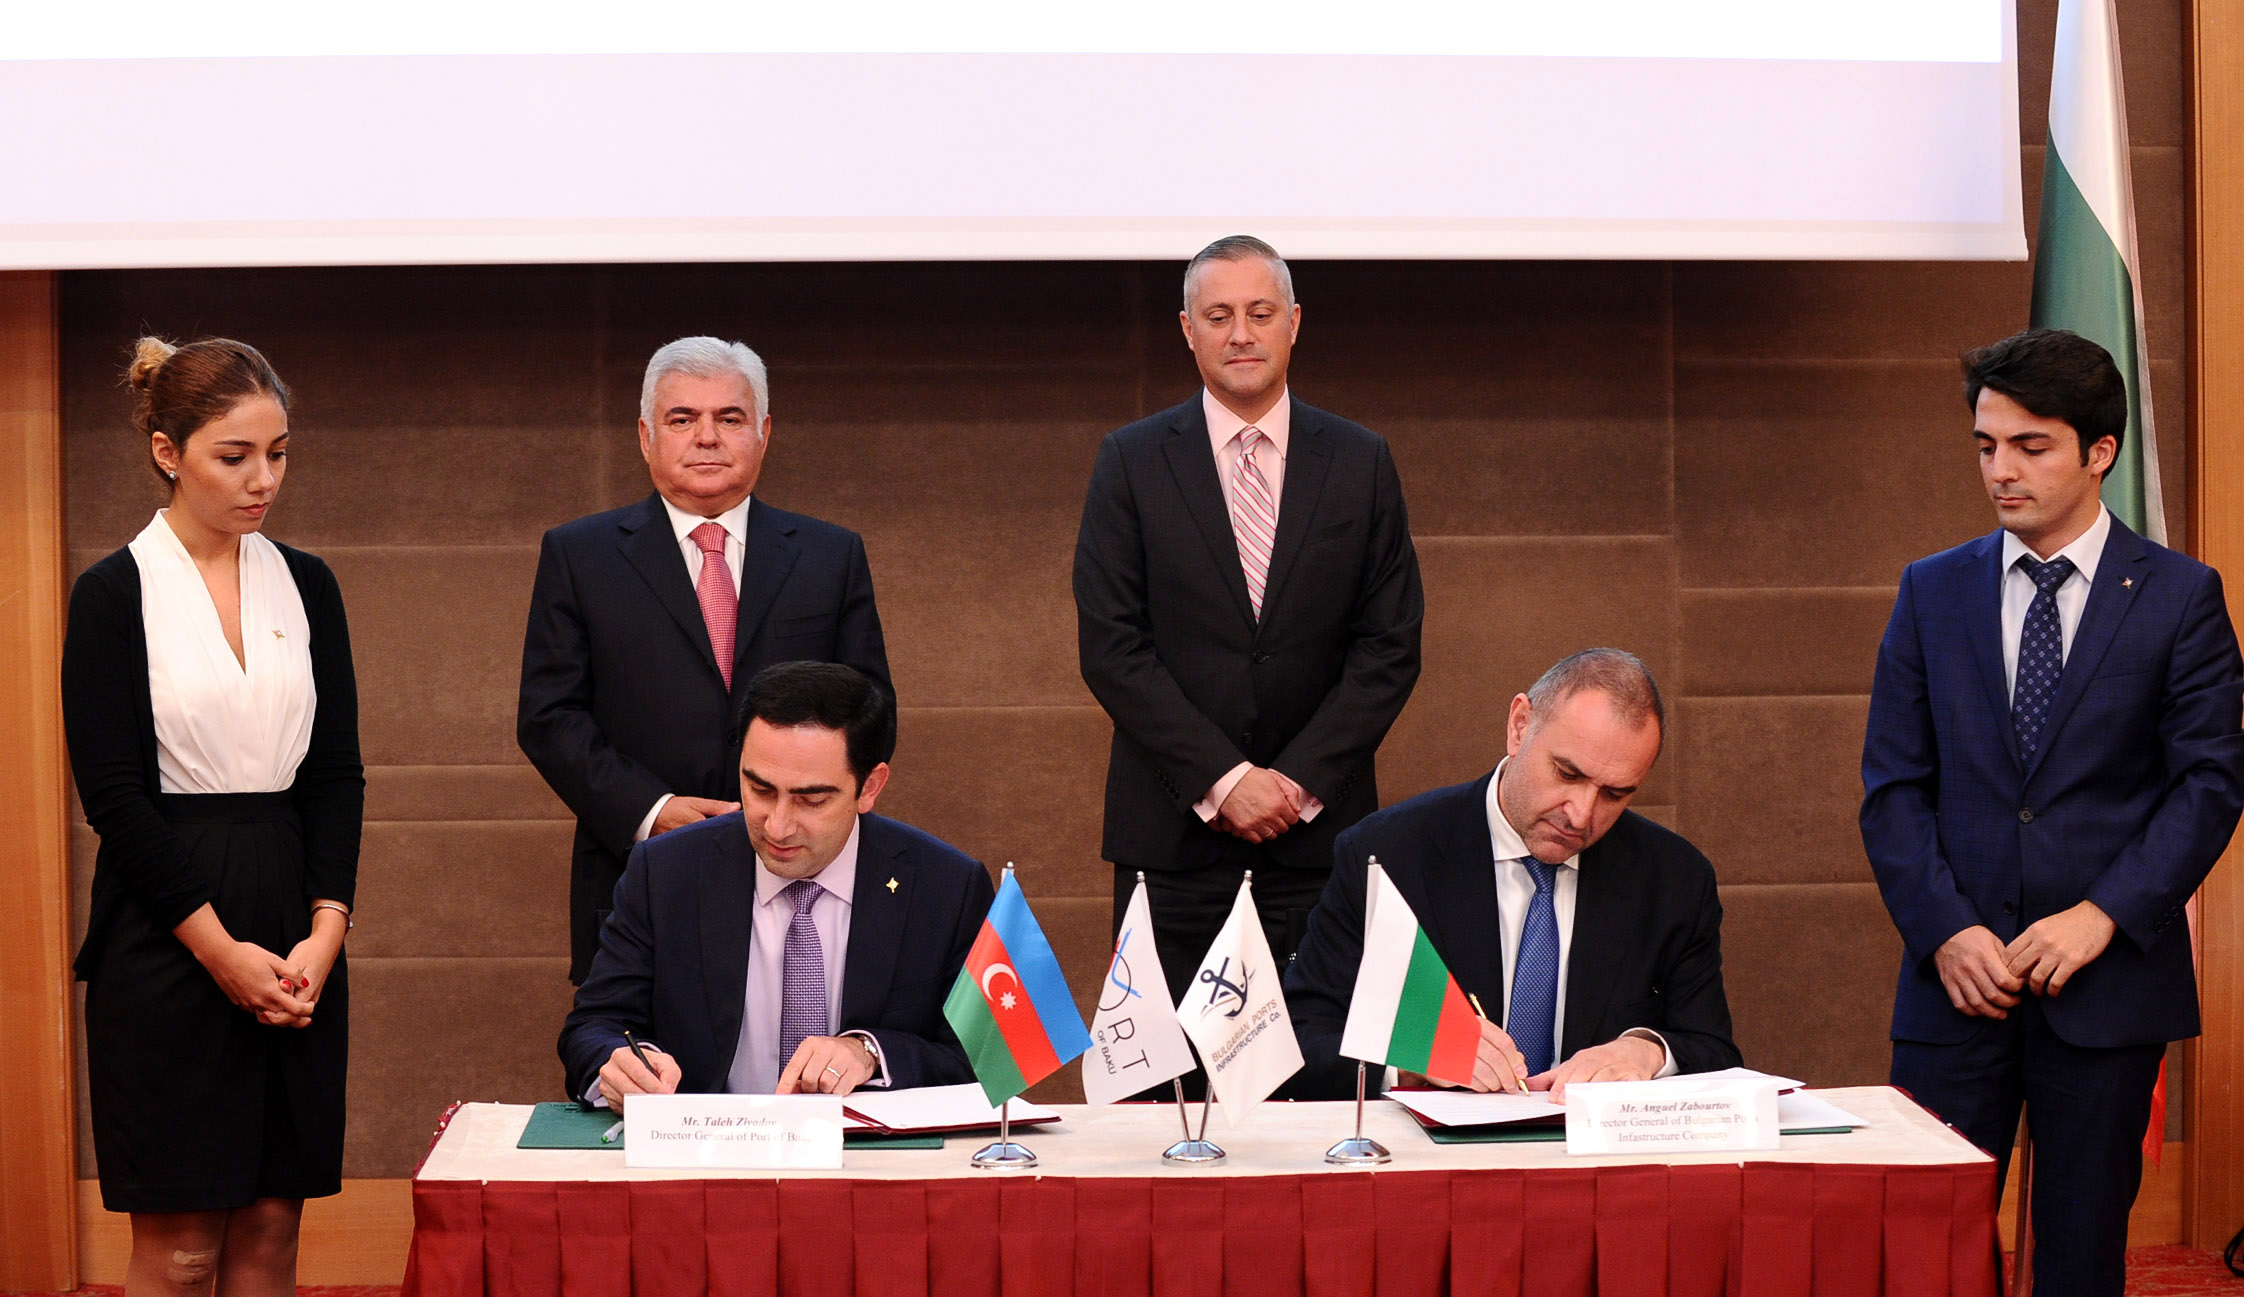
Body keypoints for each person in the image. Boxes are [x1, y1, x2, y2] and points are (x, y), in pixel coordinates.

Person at [1861, 329, 2244, 1297]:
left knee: (2081, 1258)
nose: (2002, 469)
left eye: (2031, 446)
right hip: (1956, 989)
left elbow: (2208, 784)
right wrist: (1945, 929)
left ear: (2100, 450)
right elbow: (1893, 788)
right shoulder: (1930, 589)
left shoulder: (2180, 596)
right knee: (1924, 1257)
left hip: (2107, 990)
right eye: (1987, 445)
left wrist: (2101, 915)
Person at [62, 337, 362, 1296]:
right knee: (184, 1248)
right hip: (168, 932)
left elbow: (336, 775)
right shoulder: (113, 592)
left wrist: (326, 931)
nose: (263, 478)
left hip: (292, 924)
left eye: (278, 453)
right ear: (168, 451)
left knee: (271, 1231)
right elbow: (114, 799)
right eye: (235, 456)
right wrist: (221, 951)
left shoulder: (308, 582)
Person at [1073, 235, 1424, 1036]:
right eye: (1219, 315)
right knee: (1169, 1090)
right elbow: (1113, 646)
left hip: (1318, 844)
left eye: (1260, 313)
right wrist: (1225, 779)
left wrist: (1294, 783)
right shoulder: (1129, 461)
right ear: (1187, 329)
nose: (1241, 334)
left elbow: (1390, 644)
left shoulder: (1360, 460)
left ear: (1294, 323)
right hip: (1173, 847)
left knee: (1323, 1080)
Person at [519, 336, 893, 984]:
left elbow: (872, 710)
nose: (707, 437)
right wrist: (653, 809)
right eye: (682, 418)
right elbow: (549, 718)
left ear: (764, 433)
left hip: (807, 871)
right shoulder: (580, 556)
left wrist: (801, 808)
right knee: (636, 1048)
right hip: (638, 877)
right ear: (645, 437)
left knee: (800, 1045)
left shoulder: (830, 556)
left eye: (730, 417)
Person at [1285, 648, 1739, 1100]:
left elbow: (1713, 1050)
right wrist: (1407, 1065)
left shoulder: (1675, 879)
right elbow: (1299, 1045)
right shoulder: (1387, 855)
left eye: (1615, 795)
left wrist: (1649, 1052)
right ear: (1520, 726)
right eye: (1567, 774)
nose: (1581, 815)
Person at [558, 662, 992, 1108]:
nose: (778, 826)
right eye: (760, 790)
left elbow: (984, 1061)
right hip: (707, 1142)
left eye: (811, 799)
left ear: (869, 787)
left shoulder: (946, 888)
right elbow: (594, 1027)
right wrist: (627, 1066)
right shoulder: (667, 872)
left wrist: (869, 1054)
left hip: (865, 1148)